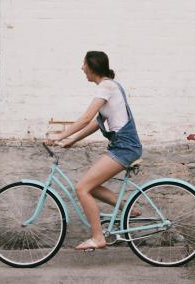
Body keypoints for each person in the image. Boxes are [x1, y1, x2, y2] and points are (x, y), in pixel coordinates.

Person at [45, 51, 142, 251]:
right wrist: (72, 140)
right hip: (122, 146)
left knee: (82, 188)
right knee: (91, 186)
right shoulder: (110, 87)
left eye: (84, 64)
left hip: (125, 147)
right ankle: (127, 208)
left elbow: (84, 118)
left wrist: (59, 136)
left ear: (92, 67)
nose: (82, 68)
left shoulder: (106, 86)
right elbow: (96, 123)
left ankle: (98, 238)